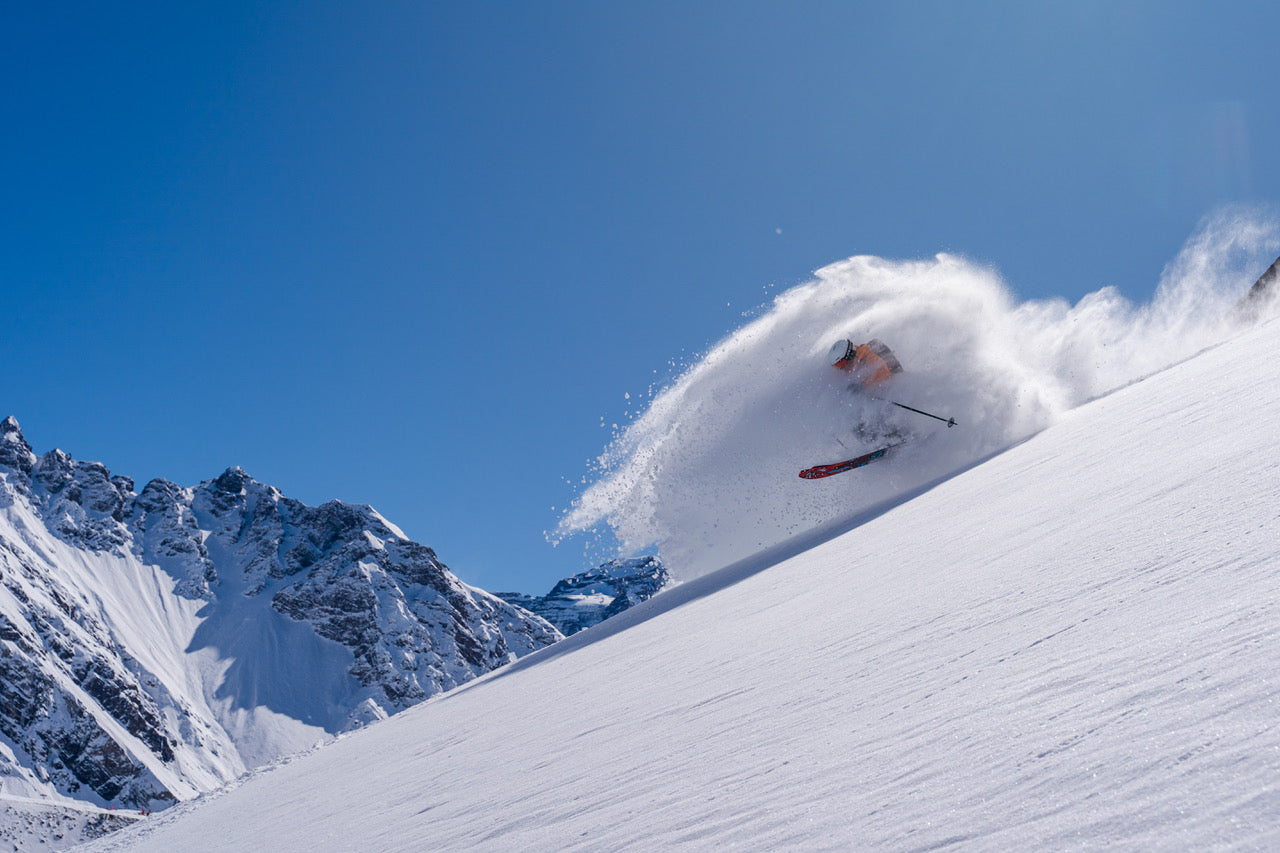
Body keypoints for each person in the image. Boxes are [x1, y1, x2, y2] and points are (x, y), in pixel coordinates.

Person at [828, 338, 903, 391]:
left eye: (841, 363)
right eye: (837, 366)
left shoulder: (869, 357)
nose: (841, 368)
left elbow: (884, 374)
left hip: (894, 378)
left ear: (848, 355)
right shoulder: (853, 361)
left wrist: (862, 386)